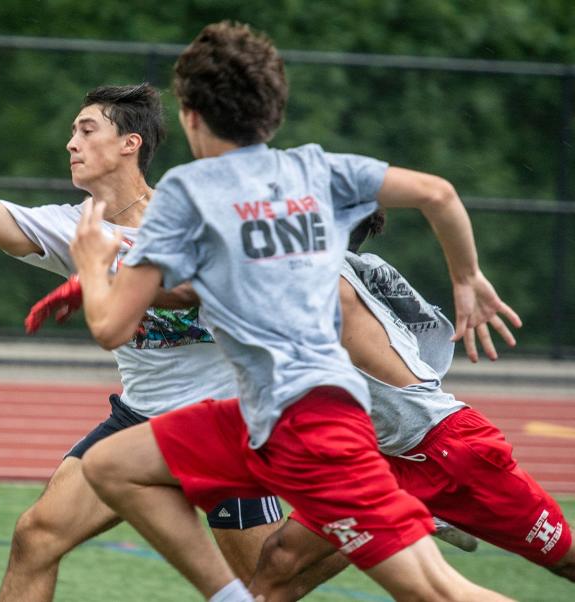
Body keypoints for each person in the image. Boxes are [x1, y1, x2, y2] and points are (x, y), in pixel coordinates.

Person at [70, 21, 519, 601]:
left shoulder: (188, 191)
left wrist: (90, 261)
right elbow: (438, 193)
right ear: (273, 111)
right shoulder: (312, 168)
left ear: (190, 116)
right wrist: (467, 278)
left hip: (303, 424)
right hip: (293, 413)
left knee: (432, 592)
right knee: (117, 468)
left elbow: (109, 327)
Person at [0, 83, 286, 602]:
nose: (70, 143)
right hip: (139, 419)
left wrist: (110, 280)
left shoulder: (192, 213)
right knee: (35, 537)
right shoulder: (76, 227)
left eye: (86, 129)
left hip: (224, 422)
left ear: (130, 143)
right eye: (72, 132)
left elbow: (227, 288)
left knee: (267, 587)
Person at [252, 212, 574, 599]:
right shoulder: (352, 274)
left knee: (565, 560)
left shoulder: (323, 284)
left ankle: (421, 511)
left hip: (447, 451)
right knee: (279, 560)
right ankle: (417, 511)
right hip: (381, 457)